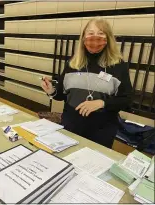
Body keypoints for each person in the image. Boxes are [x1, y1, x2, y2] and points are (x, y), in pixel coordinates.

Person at [41, 18, 132, 148]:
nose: (94, 38)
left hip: (102, 130)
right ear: (83, 37)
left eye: (100, 33)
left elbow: (127, 100)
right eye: (90, 33)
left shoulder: (118, 66)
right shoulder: (72, 64)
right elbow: (61, 95)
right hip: (71, 126)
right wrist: (51, 91)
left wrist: (102, 103)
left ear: (108, 38)